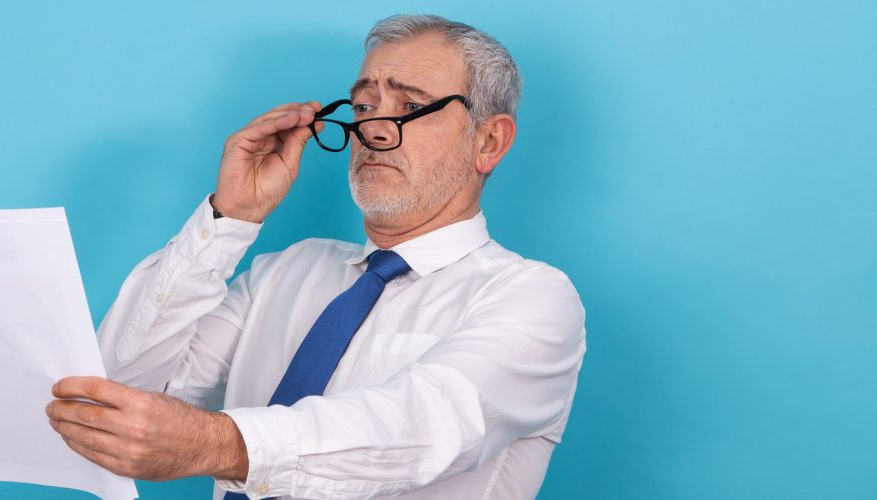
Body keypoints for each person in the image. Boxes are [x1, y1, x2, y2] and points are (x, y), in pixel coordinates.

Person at [45, 14, 587, 499]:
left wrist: (214, 443)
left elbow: (419, 428)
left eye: (412, 106)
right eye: (365, 105)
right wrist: (231, 218)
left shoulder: (532, 299)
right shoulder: (286, 271)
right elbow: (117, 392)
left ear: (488, 142)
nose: (372, 129)